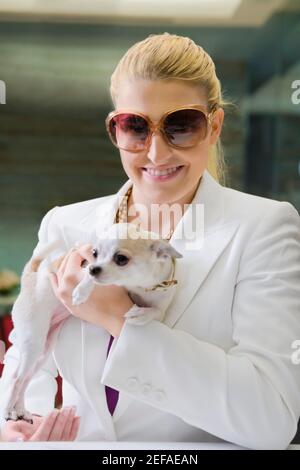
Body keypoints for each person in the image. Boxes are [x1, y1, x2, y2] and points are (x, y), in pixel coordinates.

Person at [1, 32, 300, 449]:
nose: (156, 153)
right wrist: (18, 423)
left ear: (214, 126)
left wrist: (118, 319)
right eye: (134, 127)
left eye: (181, 126)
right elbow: (29, 349)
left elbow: (271, 419)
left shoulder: (264, 228)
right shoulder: (65, 224)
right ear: (115, 129)